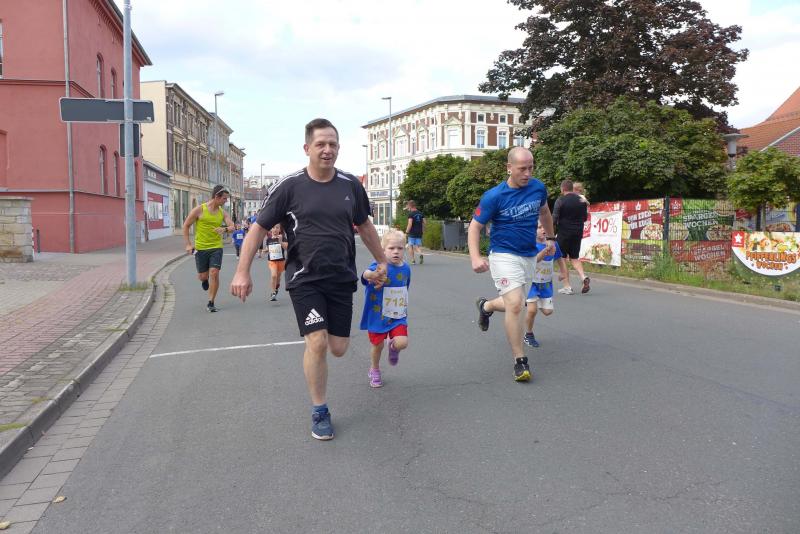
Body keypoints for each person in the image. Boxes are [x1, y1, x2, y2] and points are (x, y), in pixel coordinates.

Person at [230, 118, 388, 441]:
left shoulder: (350, 185)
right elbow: (258, 228)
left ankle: (320, 344)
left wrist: (383, 260)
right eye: (321, 144)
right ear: (307, 148)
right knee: (317, 342)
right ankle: (320, 410)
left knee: (338, 348)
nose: (327, 150)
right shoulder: (289, 187)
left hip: (341, 277)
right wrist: (242, 270)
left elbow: (365, 226)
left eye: (333, 144)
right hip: (305, 278)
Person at [468, 146, 556, 382]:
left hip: (529, 256)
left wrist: (550, 237)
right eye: (522, 169)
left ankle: (486, 306)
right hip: (503, 255)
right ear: (509, 168)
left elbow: (545, 212)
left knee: (513, 301)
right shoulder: (494, 196)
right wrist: (475, 257)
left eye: (531, 168)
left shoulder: (538, 188)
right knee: (516, 304)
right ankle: (520, 360)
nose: (527, 173)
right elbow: (475, 227)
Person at [360, 230, 411, 388]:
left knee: (402, 342)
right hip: (377, 315)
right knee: (377, 346)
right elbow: (365, 274)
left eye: (400, 248)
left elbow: (405, 289)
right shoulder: (379, 267)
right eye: (391, 248)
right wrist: (371, 275)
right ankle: (374, 369)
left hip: (397, 315)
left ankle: (393, 347)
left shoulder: (406, 269)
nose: (396, 251)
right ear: (383, 250)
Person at [183, 184, 235, 313]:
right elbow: (186, 225)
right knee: (203, 276)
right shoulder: (199, 210)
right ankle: (204, 280)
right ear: (216, 197)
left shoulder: (222, 212)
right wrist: (188, 244)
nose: (226, 201)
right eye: (224, 198)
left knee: (214, 273)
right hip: (201, 248)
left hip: (216, 247)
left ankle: (211, 302)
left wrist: (224, 229)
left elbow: (232, 227)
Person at [524, 223, 563, 348]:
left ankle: (529, 302)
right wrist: (545, 251)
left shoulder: (553, 244)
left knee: (548, 311)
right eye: (539, 227)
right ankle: (528, 334)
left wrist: (563, 272)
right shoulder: (530, 245)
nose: (543, 230)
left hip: (545, 284)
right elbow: (534, 260)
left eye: (545, 227)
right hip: (531, 283)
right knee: (532, 310)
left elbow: (559, 259)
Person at [553, 179, 590, 295]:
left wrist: (551, 233)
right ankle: (583, 277)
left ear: (562, 189)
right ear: (571, 188)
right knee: (574, 258)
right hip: (578, 232)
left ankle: (567, 286)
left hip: (564, 233)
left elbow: (554, 218)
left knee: (562, 258)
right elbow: (585, 218)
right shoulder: (581, 201)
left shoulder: (560, 200)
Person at [266, 224, 287, 301]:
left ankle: (276, 287)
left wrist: (280, 241)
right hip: (272, 261)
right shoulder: (268, 239)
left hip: (281, 261)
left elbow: (286, 247)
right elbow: (269, 248)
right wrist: (265, 250)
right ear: (271, 229)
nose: (275, 229)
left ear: (280, 230)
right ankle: (273, 292)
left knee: (278, 277)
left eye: (277, 228)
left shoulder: (283, 238)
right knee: (273, 275)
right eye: (273, 227)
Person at [405, 200, 426, 264]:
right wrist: (423, 230)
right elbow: (424, 222)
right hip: (419, 232)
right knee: (418, 246)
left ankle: (413, 260)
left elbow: (410, 224)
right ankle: (420, 253)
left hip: (412, 232)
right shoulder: (421, 213)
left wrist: (406, 232)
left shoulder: (411, 214)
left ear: (410, 206)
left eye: (408, 206)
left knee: (410, 245)